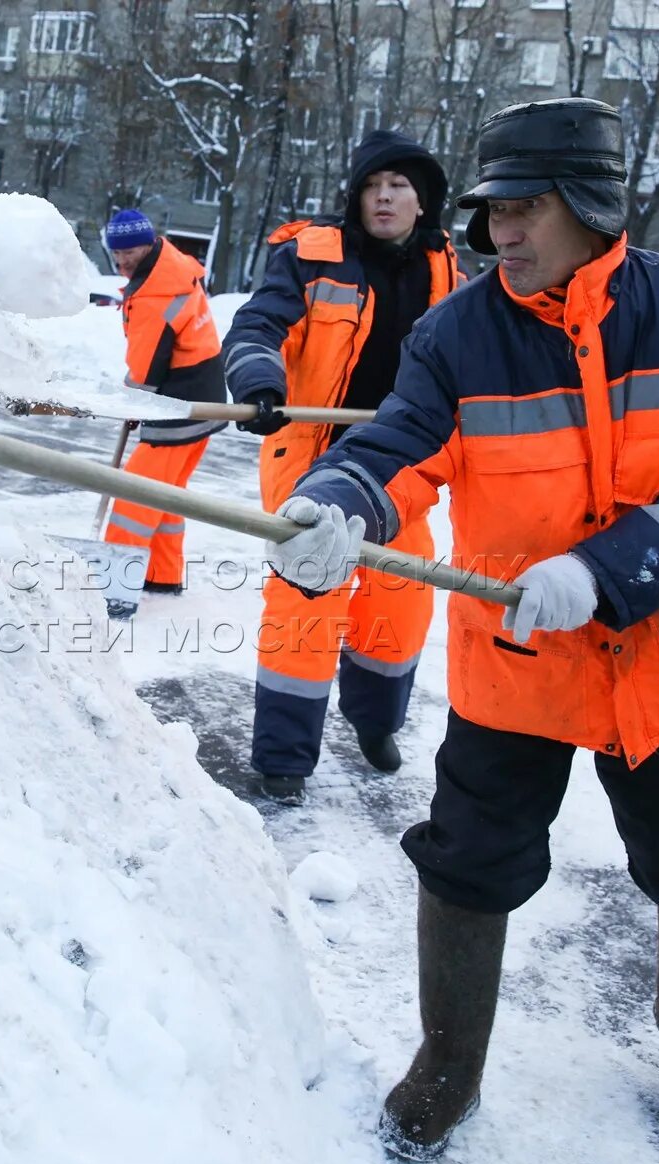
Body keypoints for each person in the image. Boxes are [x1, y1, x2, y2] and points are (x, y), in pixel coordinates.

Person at [264, 98, 659, 1159]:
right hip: (516, 659)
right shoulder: (458, 332)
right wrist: (338, 506)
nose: (501, 231)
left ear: (589, 207)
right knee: (467, 860)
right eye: (494, 206)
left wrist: (606, 573)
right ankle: (447, 1062)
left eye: (527, 207)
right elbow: (399, 445)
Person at [223, 131, 463, 794]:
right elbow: (256, 325)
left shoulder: (453, 275)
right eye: (370, 186)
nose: (382, 197)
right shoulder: (310, 257)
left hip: (402, 465)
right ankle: (282, 757)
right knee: (307, 599)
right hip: (314, 455)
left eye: (399, 186)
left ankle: (373, 720)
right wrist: (260, 384)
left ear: (424, 202)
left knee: (402, 595)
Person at [99, 208, 225, 594]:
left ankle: (114, 587)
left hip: (179, 409)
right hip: (203, 403)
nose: (122, 261)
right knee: (166, 497)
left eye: (130, 253)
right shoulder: (169, 267)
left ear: (149, 244)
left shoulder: (155, 293)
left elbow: (146, 367)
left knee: (135, 497)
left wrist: (132, 402)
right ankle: (161, 575)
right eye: (116, 254)